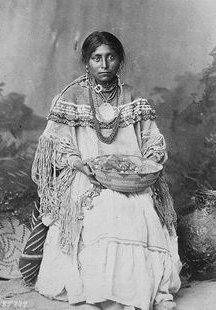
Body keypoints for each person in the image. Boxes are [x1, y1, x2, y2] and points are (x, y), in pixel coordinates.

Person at [31, 31, 181, 310]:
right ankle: (104, 296)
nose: (104, 64)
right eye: (96, 58)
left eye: (110, 57)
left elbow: (151, 138)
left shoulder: (132, 96)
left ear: (119, 60)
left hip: (133, 179)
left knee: (141, 210)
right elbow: (56, 144)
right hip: (86, 176)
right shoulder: (71, 96)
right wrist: (80, 164)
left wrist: (149, 159)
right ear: (86, 62)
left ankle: (144, 294)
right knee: (107, 212)